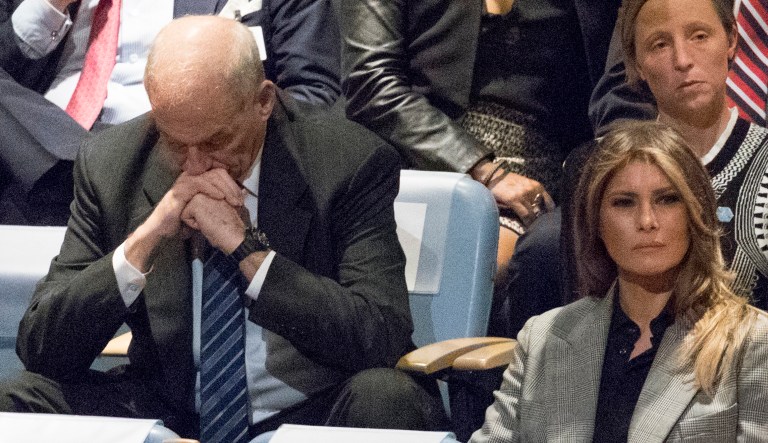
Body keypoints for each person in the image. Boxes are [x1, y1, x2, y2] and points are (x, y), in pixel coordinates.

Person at [0, 15, 445, 440]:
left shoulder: (347, 161)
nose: (195, 165)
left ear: (263, 102)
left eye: (216, 141)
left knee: (388, 399)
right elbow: (42, 350)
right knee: (16, 400)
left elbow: (380, 337)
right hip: (171, 407)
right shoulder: (112, 164)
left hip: (309, 408)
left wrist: (245, 250)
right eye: (175, 142)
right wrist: (147, 237)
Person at [470, 120, 768, 442]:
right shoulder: (542, 337)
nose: (646, 221)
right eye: (624, 202)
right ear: (596, 221)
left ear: (695, 213)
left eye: (667, 199)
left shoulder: (751, 343)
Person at [339, 0, 622, 337]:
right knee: (464, 264)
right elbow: (370, 83)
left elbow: (621, 76)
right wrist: (481, 170)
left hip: (545, 173)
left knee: (511, 258)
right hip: (417, 162)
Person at [0, 0, 340, 225]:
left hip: (169, 150)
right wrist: (47, 5)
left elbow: (312, 93)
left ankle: (86, 177)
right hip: (36, 155)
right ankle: (85, 175)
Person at [565, 0, 768, 303]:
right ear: (636, 64)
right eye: (660, 45)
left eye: (699, 36)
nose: (683, 60)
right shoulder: (597, 170)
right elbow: (582, 314)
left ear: (731, 40)